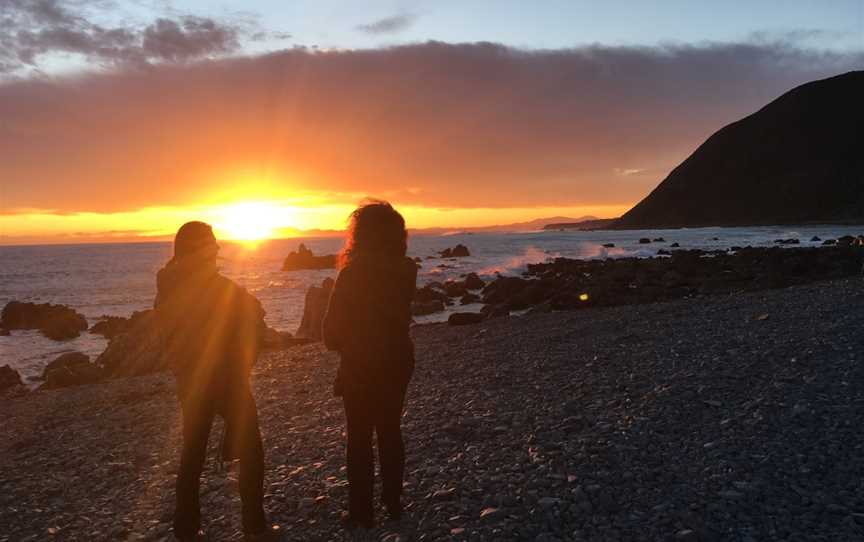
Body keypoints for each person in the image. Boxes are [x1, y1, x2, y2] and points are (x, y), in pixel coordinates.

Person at [154, 221, 281, 542]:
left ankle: (186, 529)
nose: (218, 248)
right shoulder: (212, 286)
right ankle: (254, 528)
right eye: (211, 243)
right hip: (225, 379)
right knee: (250, 449)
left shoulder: (167, 286)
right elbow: (251, 309)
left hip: (190, 380)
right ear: (197, 248)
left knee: (193, 451)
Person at [322, 201, 418, 529]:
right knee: (390, 429)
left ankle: (362, 513)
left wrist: (347, 343)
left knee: (359, 438)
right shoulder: (406, 270)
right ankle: (393, 504)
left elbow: (330, 333)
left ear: (359, 235)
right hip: (398, 359)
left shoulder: (352, 274)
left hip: (360, 364)